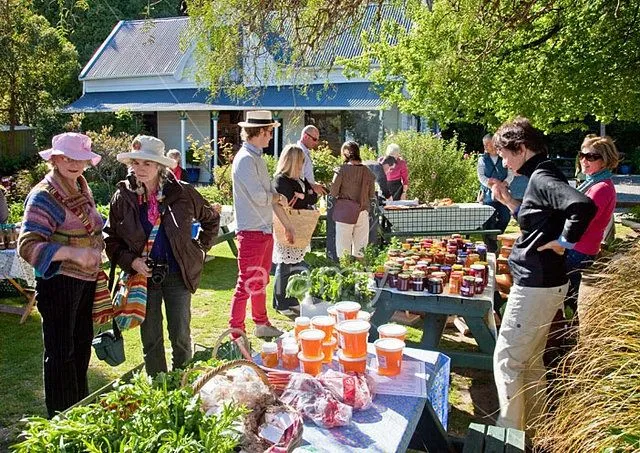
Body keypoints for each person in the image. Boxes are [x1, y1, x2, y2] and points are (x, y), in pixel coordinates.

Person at [489, 117, 596, 434]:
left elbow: (582, 206)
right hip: (546, 282)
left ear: (521, 148)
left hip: (537, 283)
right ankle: (536, 430)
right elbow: (535, 221)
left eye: (506, 154)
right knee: (530, 360)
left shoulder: (542, 177)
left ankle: (508, 437)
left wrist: (566, 241)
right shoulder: (541, 174)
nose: (504, 162)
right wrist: (509, 201)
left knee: (507, 360)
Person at [104, 135, 219, 377]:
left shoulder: (183, 193)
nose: (140, 169)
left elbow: (211, 219)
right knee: (151, 340)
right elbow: (110, 239)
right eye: (135, 163)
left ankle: (184, 384)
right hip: (143, 279)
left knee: (180, 337)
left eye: (146, 163)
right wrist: (132, 261)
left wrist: (198, 249)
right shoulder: (122, 197)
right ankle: (159, 387)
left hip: (177, 275)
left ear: (160, 166)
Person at [18, 132, 104, 417]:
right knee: (60, 355)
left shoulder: (80, 186)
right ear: (54, 158)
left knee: (80, 350)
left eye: (79, 158)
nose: (74, 163)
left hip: (85, 282)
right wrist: (75, 253)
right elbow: (27, 245)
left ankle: (79, 412)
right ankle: (60, 420)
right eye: (67, 157)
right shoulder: (44, 195)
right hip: (59, 285)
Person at [230, 110, 295, 338]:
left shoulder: (255, 157)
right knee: (246, 284)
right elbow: (261, 196)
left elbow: (267, 194)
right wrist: (277, 198)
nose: (270, 136)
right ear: (257, 132)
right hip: (251, 232)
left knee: (259, 282)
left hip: (262, 230)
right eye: (268, 131)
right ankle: (236, 332)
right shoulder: (246, 159)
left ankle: (261, 324)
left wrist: (286, 224)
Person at [567, 135, 618, 319]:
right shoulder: (592, 183)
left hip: (579, 250)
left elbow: (580, 221)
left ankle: (569, 338)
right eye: (582, 155)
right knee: (568, 298)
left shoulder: (601, 188)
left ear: (604, 161)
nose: (584, 160)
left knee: (568, 298)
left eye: (591, 157)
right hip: (578, 247)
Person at [272, 144, 318, 315]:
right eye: (300, 162)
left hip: (299, 226)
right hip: (286, 226)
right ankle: (280, 302)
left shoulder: (299, 179)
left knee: (295, 266)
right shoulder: (281, 180)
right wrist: (304, 197)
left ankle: (290, 298)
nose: (302, 166)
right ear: (292, 162)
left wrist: (304, 196)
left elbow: (313, 197)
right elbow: (289, 202)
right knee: (284, 266)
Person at [330, 141, 375, 258]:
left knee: (343, 248)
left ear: (345, 153)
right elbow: (371, 194)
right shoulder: (368, 171)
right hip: (362, 211)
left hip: (345, 212)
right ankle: (360, 274)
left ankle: (347, 274)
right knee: (361, 249)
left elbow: (333, 192)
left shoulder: (341, 170)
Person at [477, 133, 516, 252]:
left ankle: (495, 236)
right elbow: (481, 176)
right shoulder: (482, 159)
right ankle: (490, 244)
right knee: (489, 218)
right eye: (485, 145)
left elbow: (511, 173)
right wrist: (491, 183)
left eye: (488, 144)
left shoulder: (503, 156)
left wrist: (504, 183)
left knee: (505, 216)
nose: (486, 147)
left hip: (503, 192)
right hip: (488, 193)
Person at [296, 125, 327, 195]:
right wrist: (313, 186)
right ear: (305, 136)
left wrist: (314, 184)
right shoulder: (298, 152)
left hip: (306, 196)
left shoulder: (305, 152)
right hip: (300, 197)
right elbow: (296, 178)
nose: (316, 143)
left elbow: (305, 176)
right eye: (314, 139)